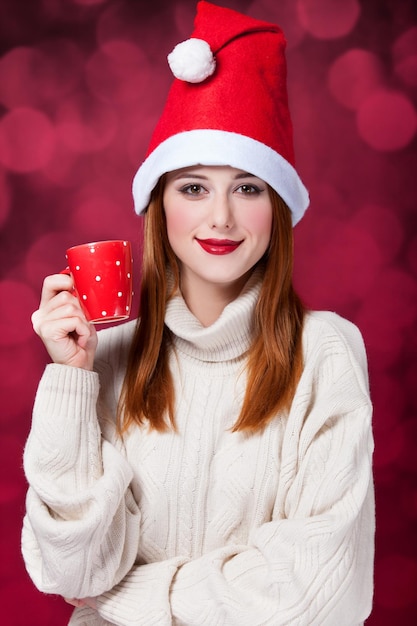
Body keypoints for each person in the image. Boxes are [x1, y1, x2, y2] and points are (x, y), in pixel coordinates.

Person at [22, 2, 375, 624]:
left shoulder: (325, 352)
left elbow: (316, 592)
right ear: (160, 207)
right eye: (193, 187)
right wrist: (72, 378)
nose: (220, 219)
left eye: (247, 187)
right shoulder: (108, 353)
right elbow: (70, 571)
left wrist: (123, 597)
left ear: (278, 209)